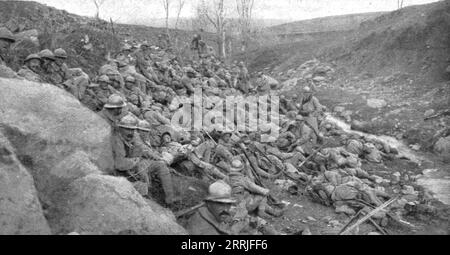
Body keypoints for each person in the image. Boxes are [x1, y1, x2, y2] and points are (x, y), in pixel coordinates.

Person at [111, 115, 179, 205]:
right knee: (144, 177)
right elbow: (120, 163)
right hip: (129, 167)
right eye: (127, 129)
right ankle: (148, 201)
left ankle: (169, 198)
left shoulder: (134, 136)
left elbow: (145, 149)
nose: (130, 132)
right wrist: (137, 161)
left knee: (161, 166)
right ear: (121, 128)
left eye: (132, 129)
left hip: (137, 162)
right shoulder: (119, 140)